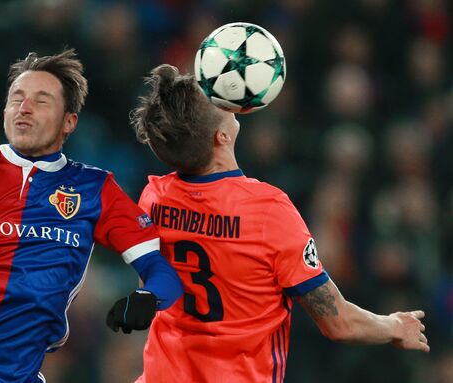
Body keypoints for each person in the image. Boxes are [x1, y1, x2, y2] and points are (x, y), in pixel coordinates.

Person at [129, 64, 430, 383]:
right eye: (216, 99)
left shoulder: (154, 198)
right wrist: (395, 326)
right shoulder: (267, 211)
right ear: (222, 136)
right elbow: (338, 323)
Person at [0, 49, 183, 383]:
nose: (24, 108)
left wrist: (148, 299)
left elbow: (162, 272)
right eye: (16, 98)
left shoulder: (94, 189)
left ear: (69, 122)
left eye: (41, 100)